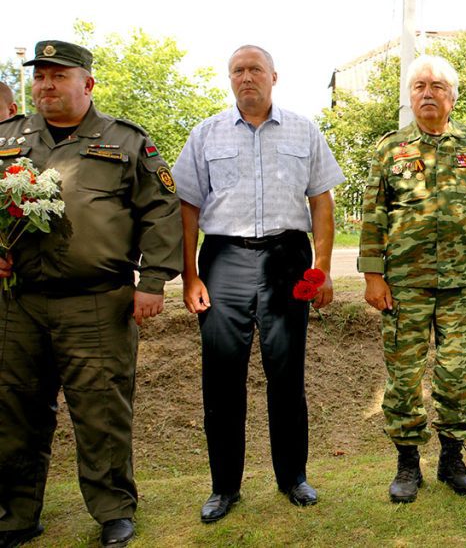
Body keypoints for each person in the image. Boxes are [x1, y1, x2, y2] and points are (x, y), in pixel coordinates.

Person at [0, 40, 182, 547]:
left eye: (58, 76)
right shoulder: (7, 139)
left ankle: (113, 511)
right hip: (17, 301)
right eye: (39, 77)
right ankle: (15, 515)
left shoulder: (125, 142)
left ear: (87, 84)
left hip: (97, 302)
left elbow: (162, 210)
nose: (46, 86)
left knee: (101, 410)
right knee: (13, 408)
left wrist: (152, 283)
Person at [172, 45, 343, 522]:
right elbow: (187, 207)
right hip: (223, 259)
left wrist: (323, 267)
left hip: (287, 258)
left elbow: (321, 203)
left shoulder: (305, 130)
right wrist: (191, 276)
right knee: (221, 379)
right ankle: (224, 487)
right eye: (237, 71)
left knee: (286, 375)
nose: (246, 77)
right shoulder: (205, 134)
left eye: (255, 70)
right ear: (230, 79)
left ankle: (293, 478)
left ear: (274, 77)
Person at [358, 54, 466, 503]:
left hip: (462, 283)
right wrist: (372, 275)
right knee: (404, 376)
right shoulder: (391, 148)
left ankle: (452, 458)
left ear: (452, 96)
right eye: (420, 85)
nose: (428, 92)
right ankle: (408, 464)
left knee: (455, 374)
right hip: (404, 285)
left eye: (438, 86)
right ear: (410, 96)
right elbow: (373, 215)